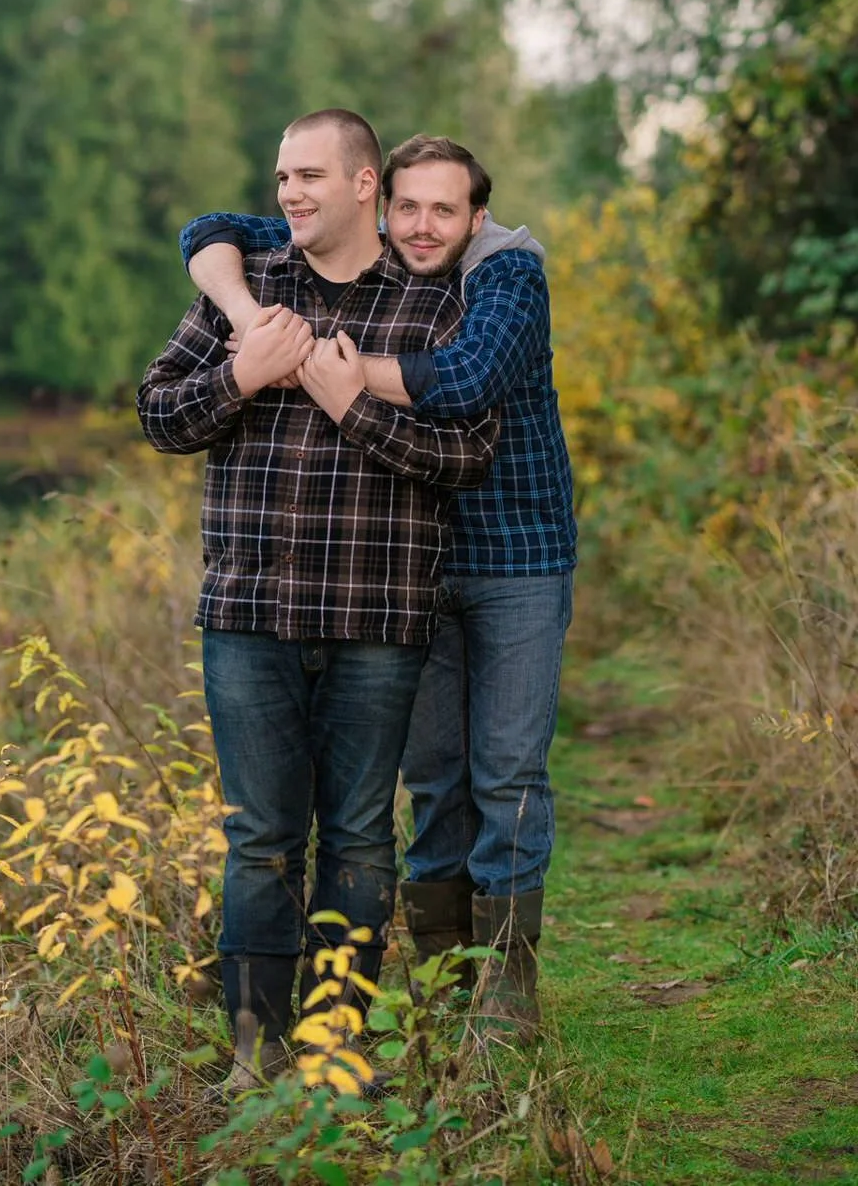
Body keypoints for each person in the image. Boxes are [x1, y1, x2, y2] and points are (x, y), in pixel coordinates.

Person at [182, 133, 577, 1044]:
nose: (425, 224)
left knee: (507, 770)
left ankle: (508, 991)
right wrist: (246, 317)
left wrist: (342, 381)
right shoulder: (377, 259)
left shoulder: (501, 275)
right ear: (381, 205)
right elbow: (218, 227)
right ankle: (442, 986)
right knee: (435, 781)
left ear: (477, 216)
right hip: (417, 567)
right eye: (408, 207)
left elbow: (470, 385)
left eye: (446, 208)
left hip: (516, 553)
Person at [137, 111, 498, 1092]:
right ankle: (254, 1058)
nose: (289, 193)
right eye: (281, 176)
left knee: (354, 834)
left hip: (375, 616)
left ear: (364, 184)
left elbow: (467, 454)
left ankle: (335, 1051)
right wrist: (240, 376)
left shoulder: (434, 306)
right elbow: (158, 412)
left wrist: (354, 407)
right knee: (258, 837)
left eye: (308, 176)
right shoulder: (246, 295)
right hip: (247, 614)